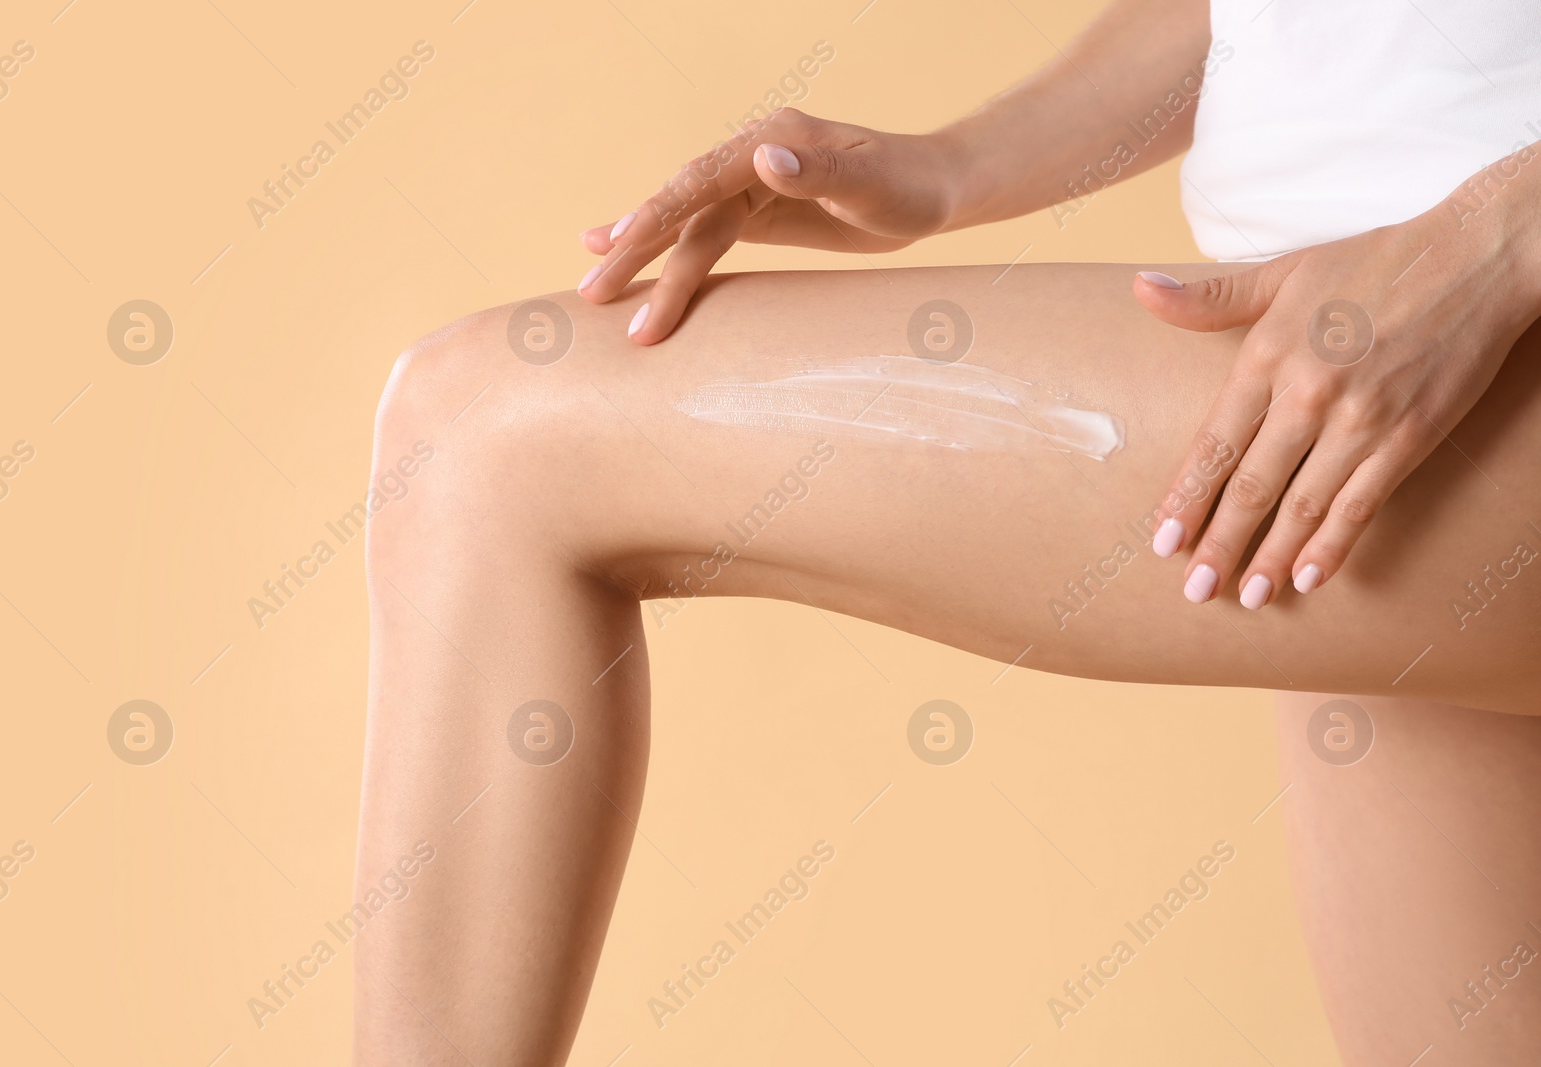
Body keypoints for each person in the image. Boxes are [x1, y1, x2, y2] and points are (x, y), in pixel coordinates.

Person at [352, 1, 1541, 1063]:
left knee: (483, 435)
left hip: (1470, 345)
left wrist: (1497, 230)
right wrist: (949, 170)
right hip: (1340, 363)